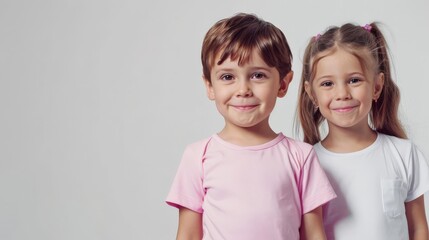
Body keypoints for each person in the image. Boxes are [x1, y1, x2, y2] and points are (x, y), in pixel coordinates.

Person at [166, 13, 336, 240]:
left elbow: (314, 234)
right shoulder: (198, 156)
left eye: (257, 75)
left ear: (283, 84)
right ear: (210, 86)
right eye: (227, 77)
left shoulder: (301, 156)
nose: (243, 89)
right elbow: (187, 234)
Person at [296, 22, 429, 240]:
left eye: (354, 80)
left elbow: (419, 229)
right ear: (312, 94)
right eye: (328, 83)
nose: (342, 94)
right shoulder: (306, 162)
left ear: (376, 86)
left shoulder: (404, 154)